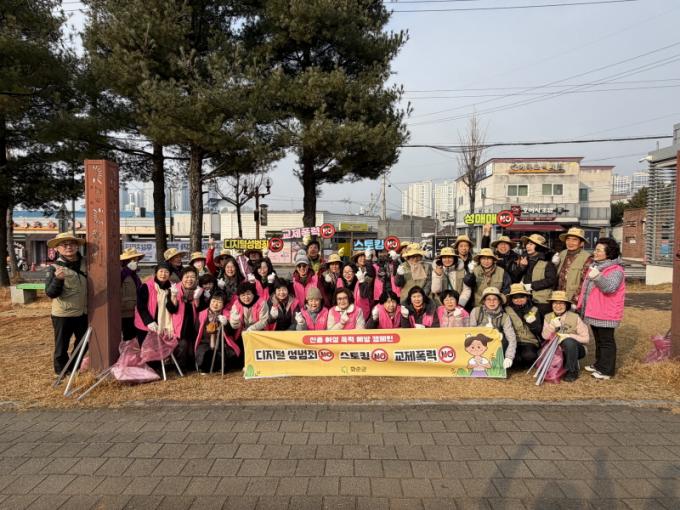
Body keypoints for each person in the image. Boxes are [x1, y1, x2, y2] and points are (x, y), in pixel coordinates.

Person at [576, 238, 625, 380]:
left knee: (606, 341)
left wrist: (598, 277)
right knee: (598, 339)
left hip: (606, 312)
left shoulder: (616, 270)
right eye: (595, 249)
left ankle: (607, 370)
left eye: (599, 250)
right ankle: (599, 364)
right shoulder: (596, 266)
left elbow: (610, 288)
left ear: (608, 253)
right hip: (594, 310)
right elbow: (586, 289)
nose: (595, 252)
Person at [45, 232, 88, 374]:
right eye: (64, 245)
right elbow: (50, 293)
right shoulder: (54, 268)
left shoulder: (86, 263)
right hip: (63, 314)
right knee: (61, 346)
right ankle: (61, 373)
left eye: (72, 244)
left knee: (84, 342)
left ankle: (73, 367)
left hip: (83, 312)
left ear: (77, 246)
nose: (68, 247)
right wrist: (58, 280)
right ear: (57, 248)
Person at [542, 291, 590, 382]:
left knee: (569, 342)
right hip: (556, 351)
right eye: (555, 303)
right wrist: (552, 326)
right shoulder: (548, 317)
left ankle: (572, 371)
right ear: (551, 304)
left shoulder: (575, 317)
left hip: (576, 350)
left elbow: (586, 339)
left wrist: (568, 335)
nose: (558, 306)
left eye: (561, 303)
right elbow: (545, 336)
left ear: (567, 305)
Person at [167, 266, 204, 370]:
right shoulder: (174, 289)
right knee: (182, 346)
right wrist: (173, 296)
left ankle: (191, 365)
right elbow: (171, 309)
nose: (189, 279)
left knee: (192, 350)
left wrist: (197, 298)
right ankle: (180, 368)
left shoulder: (198, 290)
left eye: (192, 277)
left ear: (196, 278)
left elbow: (201, 309)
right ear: (182, 278)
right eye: (187, 277)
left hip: (193, 323)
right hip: (180, 325)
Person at [469, 287, 516, 370]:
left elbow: (511, 338)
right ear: (484, 301)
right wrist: (483, 330)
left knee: (504, 340)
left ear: (499, 301)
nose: (492, 302)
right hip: (477, 345)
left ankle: (499, 363)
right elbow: (470, 332)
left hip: (495, 345)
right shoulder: (476, 311)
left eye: (495, 299)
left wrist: (509, 357)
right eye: (488, 299)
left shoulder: (505, 317)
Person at [226, 281, 269, 368]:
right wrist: (235, 321)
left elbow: (264, 321)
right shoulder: (236, 304)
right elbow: (234, 325)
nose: (246, 297)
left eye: (248, 294)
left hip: (258, 330)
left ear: (253, 293)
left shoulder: (262, 302)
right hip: (241, 332)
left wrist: (251, 329)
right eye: (243, 295)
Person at [194, 291, 235, 373]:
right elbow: (196, 330)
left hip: (222, 343)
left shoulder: (227, 314)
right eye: (213, 301)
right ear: (210, 302)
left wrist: (226, 324)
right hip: (205, 342)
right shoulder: (202, 314)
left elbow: (232, 332)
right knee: (203, 353)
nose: (215, 304)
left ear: (223, 304)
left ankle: (220, 366)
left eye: (219, 302)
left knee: (227, 354)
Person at [504, 283, 543, 367]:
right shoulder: (506, 310)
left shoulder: (534, 309)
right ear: (511, 299)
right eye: (515, 297)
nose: (519, 299)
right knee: (515, 359)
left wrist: (533, 324)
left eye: (522, 296)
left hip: (529, 341)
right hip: (513, 341)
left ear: (527, 297)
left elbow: (538, 331)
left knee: (529, 356)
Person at [134, 262, 175, 342]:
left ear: (170, 274)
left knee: (161, 349)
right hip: (146, 325)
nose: (163, 274)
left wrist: (173, 295)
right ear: (156, 273)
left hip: (164, 326)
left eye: (166, 272)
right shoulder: (146, 286)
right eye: (161, 271)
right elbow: (141, 306)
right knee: (146, 348)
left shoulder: (172, 287)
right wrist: (149, 321)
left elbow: (172, 308)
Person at [518, 234, 557, 316]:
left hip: (541, 301)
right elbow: (515, 277)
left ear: (539, 247)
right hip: (526, 299)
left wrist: (532, 286)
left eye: (531, 244)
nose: (528, 246)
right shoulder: (523, 259)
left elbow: (551, 280)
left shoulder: (548, 262)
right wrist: (522, 267)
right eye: (527, 244)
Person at [554, 227, 592, 304]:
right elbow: (556, 275)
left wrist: (575, 300)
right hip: (559, 295)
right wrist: (554, 265)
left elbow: (585, 282)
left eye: (574, 240)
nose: (570, 242)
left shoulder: (587, 257)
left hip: (573, 297)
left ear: (581, 243)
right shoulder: (562, 253)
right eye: (568, 239)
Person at [120, 247, 145, 342]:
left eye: (136, 259)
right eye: (132, 260)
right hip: (125, 311)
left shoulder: (134, 274)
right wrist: (127, 270)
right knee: (128, 337)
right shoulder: (120, 271)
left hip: (135, 310)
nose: (135, 262)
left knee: (134, 337)